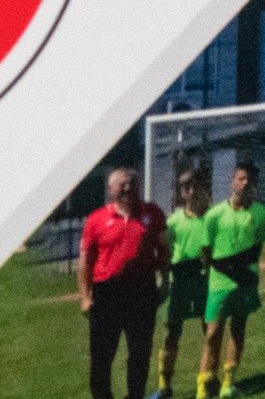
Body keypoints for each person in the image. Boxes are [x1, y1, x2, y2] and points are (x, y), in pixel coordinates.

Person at [81, 167, 169, 399]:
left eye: (132, 183)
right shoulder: (96, 219)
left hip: (141, 290)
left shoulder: (152, 214)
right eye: (122, 184)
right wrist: (85, 297)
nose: (128, 188)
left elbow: (164, 251)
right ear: (110, 189)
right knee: (101, 356)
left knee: (140, 353)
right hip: (107, 293)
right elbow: (86, 262)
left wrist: (164, 282)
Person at [200, 162, 265, 399]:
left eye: (249, 179)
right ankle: (206, 382)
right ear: (232, 182)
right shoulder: (215, 214)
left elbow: (260, 243)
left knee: (238, 328)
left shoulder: (260, 213)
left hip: (246, 280)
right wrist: (215, 270)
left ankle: (229, 383)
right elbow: (205, 249)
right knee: (213, 332)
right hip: (219, 281)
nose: (245, 183)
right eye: (241, 178)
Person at [153, 169, 211, 399]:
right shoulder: (174, 221)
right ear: (181, 193)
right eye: (187, 187)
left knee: (210, 331)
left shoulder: (212, 217)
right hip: (179, 280)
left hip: (204, 278)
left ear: (203, 188)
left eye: (195, 185)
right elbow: (165, 253)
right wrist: (164, 281)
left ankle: (205, 382)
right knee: (171, 333)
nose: (192, 191)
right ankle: (164, 386)